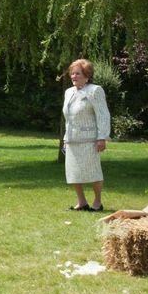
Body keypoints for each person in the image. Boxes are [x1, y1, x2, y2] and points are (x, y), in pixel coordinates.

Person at [62, 59, 111, 212]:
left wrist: (102, 137)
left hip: (90, 139)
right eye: (72, 73)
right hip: (72, 139)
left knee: (93, 171)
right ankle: (82, 202)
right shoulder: (69, 92)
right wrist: (65, 138)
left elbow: (103, 115)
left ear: (86, 75)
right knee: (73, 171)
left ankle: (97, 202)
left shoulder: (95, 90)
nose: (74, 76)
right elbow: (68, 117)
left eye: (77, 73)